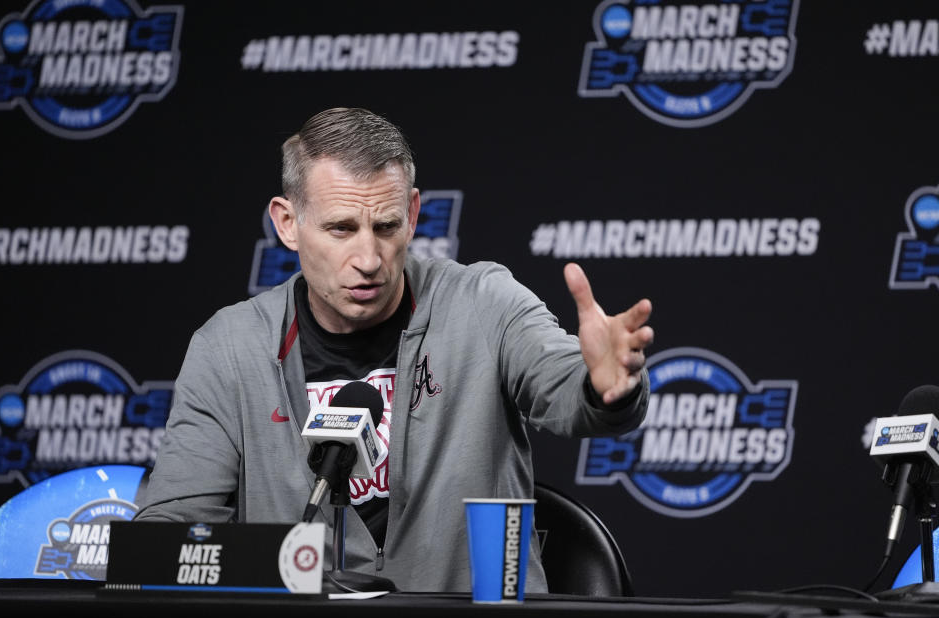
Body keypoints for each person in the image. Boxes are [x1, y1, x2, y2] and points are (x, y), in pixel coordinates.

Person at [134, 107, 654, 593]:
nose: (368, 258)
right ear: (287, 224)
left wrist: (603, 386)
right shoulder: (229, 348)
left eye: (386, 227)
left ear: (412, 213)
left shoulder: (482, 302)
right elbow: (167, 538)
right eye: (341, 228)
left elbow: (566, 388)